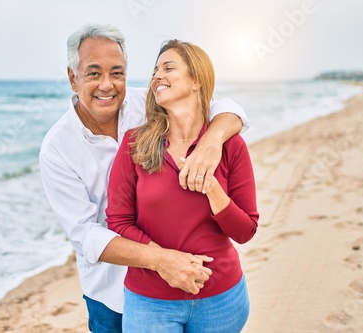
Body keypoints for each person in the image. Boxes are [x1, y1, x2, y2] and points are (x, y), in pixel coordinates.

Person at [39, 25, 250, 333]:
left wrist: (212, 140)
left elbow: (224, 108)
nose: (107, 85)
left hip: (195, 288)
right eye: (94, 74)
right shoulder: (57, 148)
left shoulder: (149, 105)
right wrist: (161, 260)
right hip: (110, 294)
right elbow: (85, 234)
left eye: (117, 73)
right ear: (73, 78)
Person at [106, 39, 259, 332]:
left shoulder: (230, 145)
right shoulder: (134, 143)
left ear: (196, 81)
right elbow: (119, 222)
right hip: (150, 302)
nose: (156, 76)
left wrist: (212, 189)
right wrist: (164, 261)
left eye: (168, 68)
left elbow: (246, 231)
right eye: (155, 70)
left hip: (222, 300)